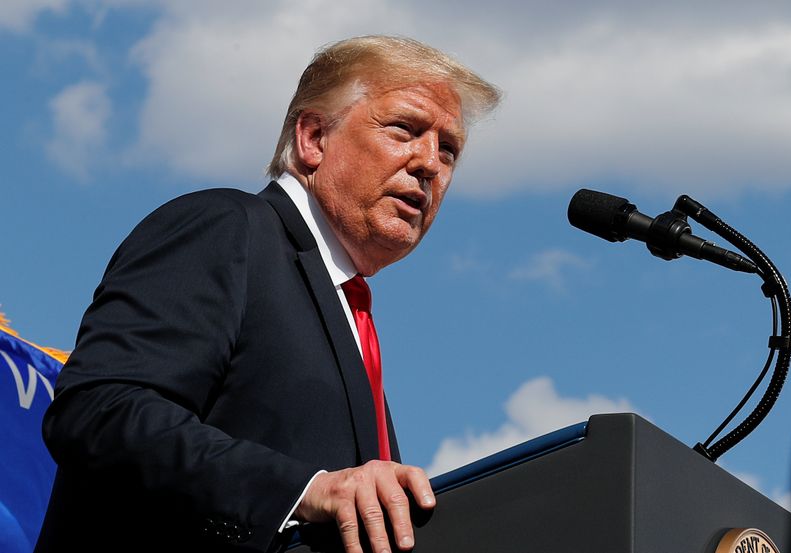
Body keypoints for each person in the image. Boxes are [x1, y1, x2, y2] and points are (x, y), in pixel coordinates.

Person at [35, 35, 500, 553]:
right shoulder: (227, 228)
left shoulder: (347, 309)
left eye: (448, 149)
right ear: (314, 137)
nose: (429, 163)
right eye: (404, 129)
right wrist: (302, 491)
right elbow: (100, 410)